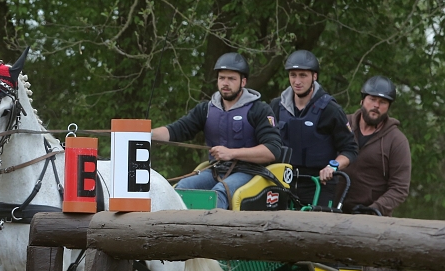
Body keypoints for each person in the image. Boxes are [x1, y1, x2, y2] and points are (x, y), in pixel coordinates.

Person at [150, 53, 282, 209]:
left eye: (231, 79)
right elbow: (176, 130)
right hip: (216, 171)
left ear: (243, 81)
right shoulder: (205, 109)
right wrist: (147, 133)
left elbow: (273, 150)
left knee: (219, 192)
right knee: (182, 188)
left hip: (250, 172)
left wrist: (232, 153)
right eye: (222, 78)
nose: (225, 83)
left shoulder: (259, 109)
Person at [270, 50, 358, 208]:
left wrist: (332, 166)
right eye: (293, 75)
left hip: (318, 183)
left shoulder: (331, 110)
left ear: (314, 76)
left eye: (303, 75)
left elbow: (350, 149)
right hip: (283, 181)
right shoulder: (276, 106)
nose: (297, 81)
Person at [343, 76, 411, 216]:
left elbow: (399, 188)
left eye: (382, 102)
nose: (376, 105)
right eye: (372, 99)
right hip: (332, 211)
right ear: (362, 100)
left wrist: (374, 210)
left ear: (388, 107)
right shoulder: (342, 125)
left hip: (372, 220)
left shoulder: (397, 141)